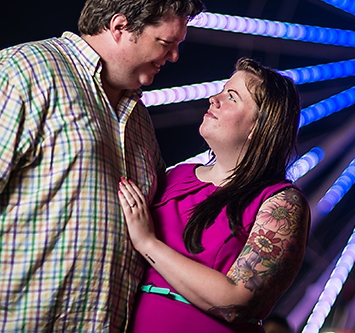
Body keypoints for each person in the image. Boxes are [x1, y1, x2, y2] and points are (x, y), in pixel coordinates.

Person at [0, 0, 204, 332]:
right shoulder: (26, 69)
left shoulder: (141, 126)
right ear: (120, 26)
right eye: (166, 42)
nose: (174, 56)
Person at [118, 57, 310, 333]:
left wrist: (147, 242)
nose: (213, 99)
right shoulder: (174, 177)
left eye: (231, 97)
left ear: (259, 126)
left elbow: (237, 302)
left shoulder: (281, 203)